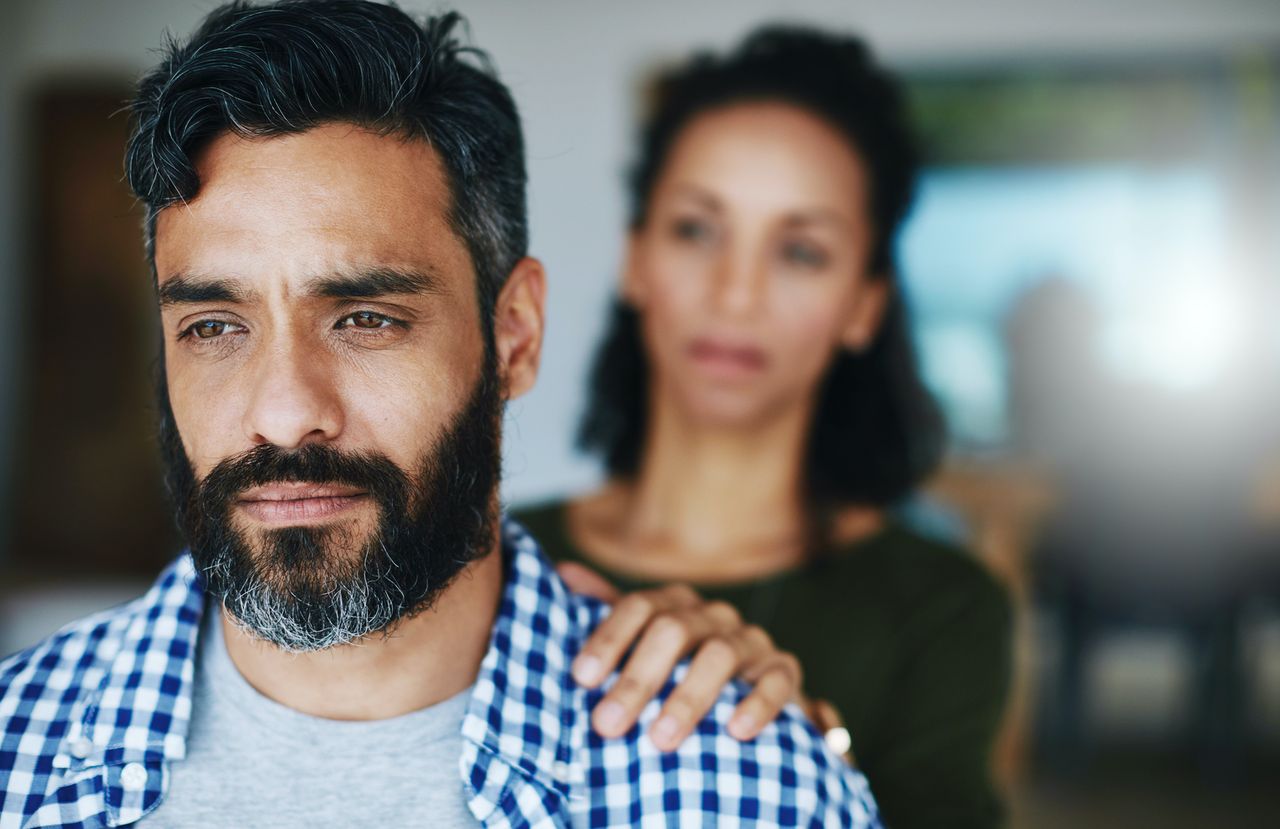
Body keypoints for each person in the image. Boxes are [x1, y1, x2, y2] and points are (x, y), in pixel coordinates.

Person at [0, 3, 879, 827]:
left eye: (367, 319)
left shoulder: (751, 793)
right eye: (215, 326)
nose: (282, 412)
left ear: (515, 335)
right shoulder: (15, 754)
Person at [514, 25, 1013, 829]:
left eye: (801, 251)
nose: (736, 294)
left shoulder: (943, 607)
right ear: (635, 257)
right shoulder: (495, 558)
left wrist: (803, 744)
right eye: (696, 229)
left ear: (864, 304)